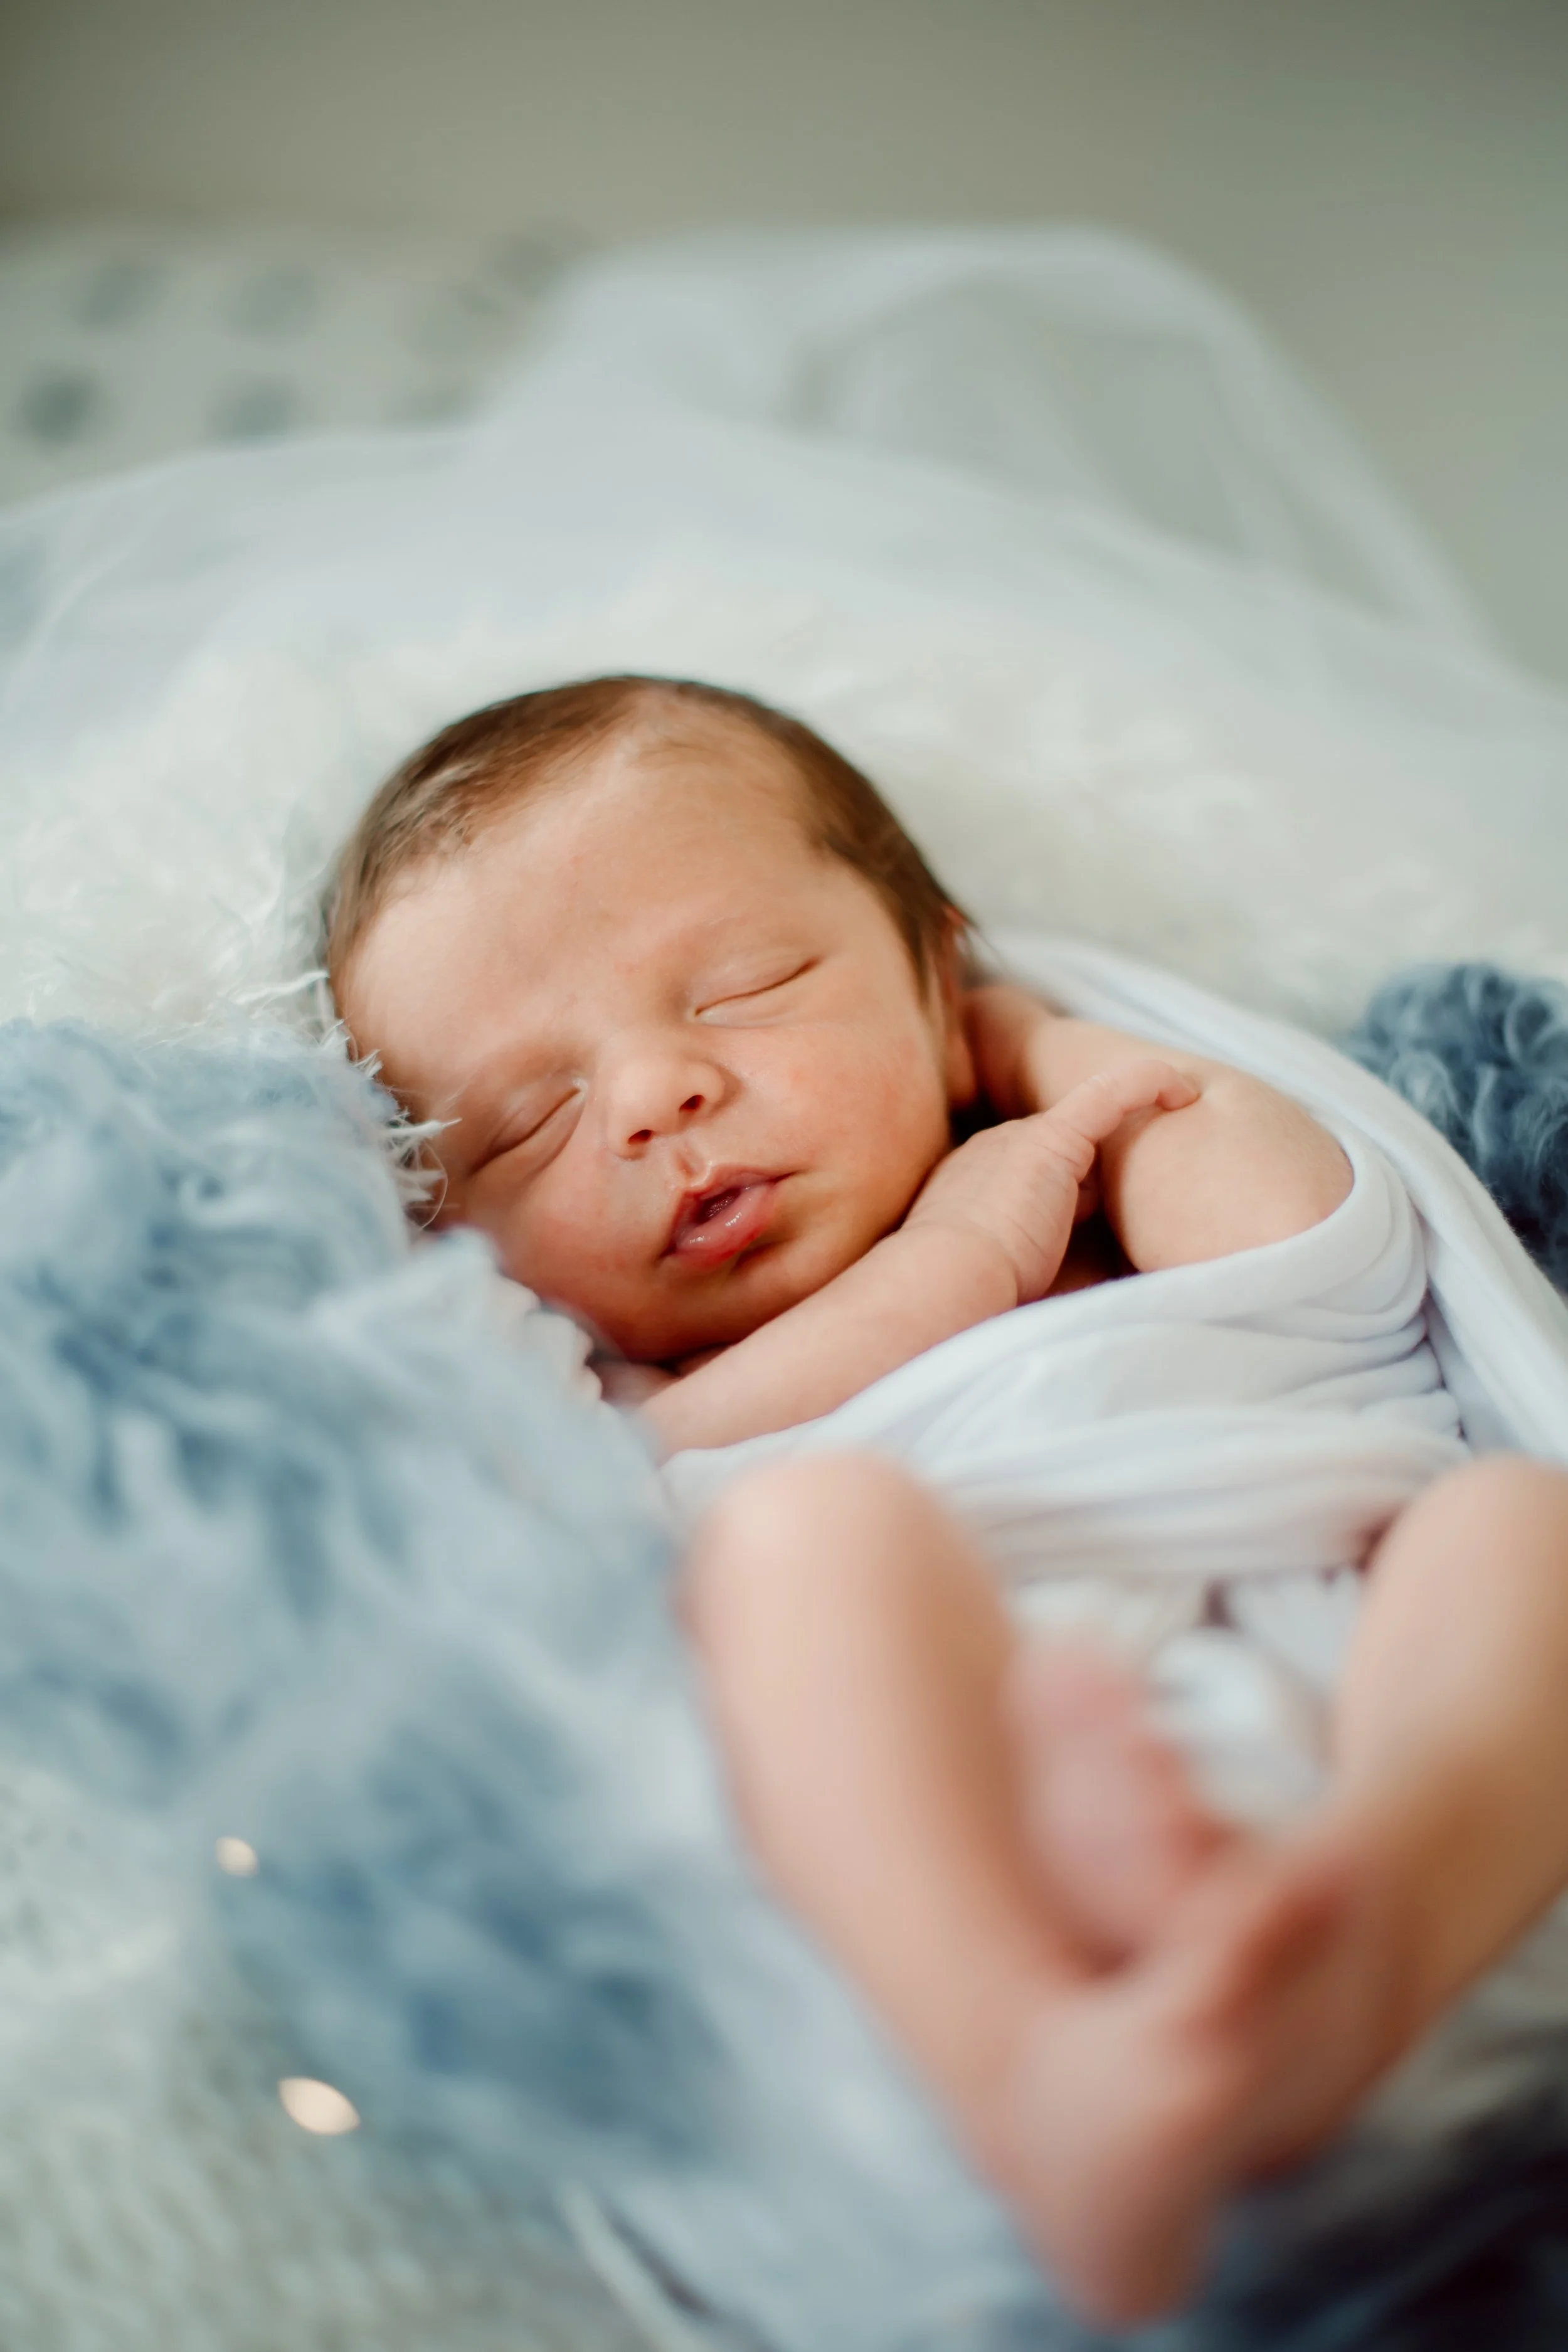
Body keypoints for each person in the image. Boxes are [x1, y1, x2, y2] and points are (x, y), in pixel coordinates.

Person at [329, 673, 1568, 2327]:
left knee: (1514, 1531)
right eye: (524, 1123)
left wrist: (1047, 1058)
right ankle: (1036, 2069)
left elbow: (1314, 1237)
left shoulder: (1106, 1177)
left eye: (745, 987)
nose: (647, 1098)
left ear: (935, 964)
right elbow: (582, 1508)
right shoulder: (605, 1382)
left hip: (1349, 1722)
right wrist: (955, 1261)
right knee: (799, 1535)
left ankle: (1361, 1944)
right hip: (948, 1819)